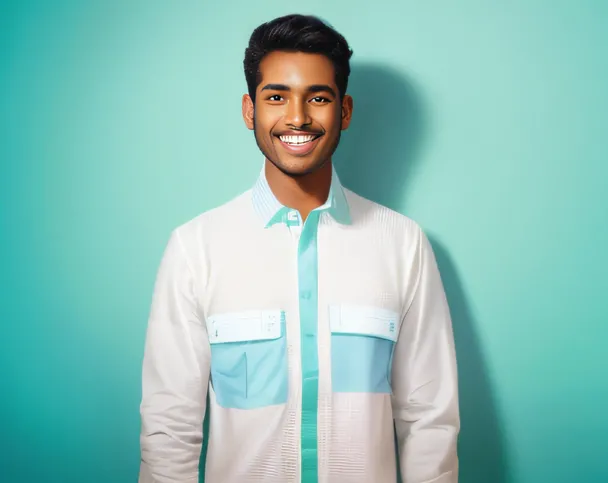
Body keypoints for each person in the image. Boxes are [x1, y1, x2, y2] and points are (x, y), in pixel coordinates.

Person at [138, 13, 460, 483]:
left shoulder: (404, 244)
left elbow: (429, 420)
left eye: (318, 98)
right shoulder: (195, 249)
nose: (297, 118)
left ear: (344, 111)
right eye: (276, 97)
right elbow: (169, 429)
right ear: (250, 110)